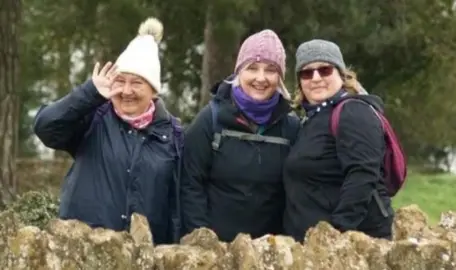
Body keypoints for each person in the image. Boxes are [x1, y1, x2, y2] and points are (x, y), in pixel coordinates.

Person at [33, 18, 183, 245]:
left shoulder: (173, 135)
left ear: (153, 90)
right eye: (120, 81)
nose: (126, 91)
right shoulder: (95, 117)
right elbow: (46, 127)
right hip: (83, 250)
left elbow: (177, 204)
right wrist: (89, 93)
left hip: (142, 257)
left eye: (137, 83)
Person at [181, 29, 300, 242]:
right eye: (252, 68)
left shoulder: (291, 127)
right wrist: (202, 241)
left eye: (271, 70)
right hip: (216, 251)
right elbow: (190, 184)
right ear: (238, 72)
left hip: (270, 253)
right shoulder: (210, 119)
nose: (260, 78)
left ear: (280, 77)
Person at [283, 39, 394, 242]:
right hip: (311, 247)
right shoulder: (311, 118)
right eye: (307, 73)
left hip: (350, 246)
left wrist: (336, 234)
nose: (315, 78)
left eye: (324, 70)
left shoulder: (353, 112)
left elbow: (362, 175)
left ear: (341, 75)